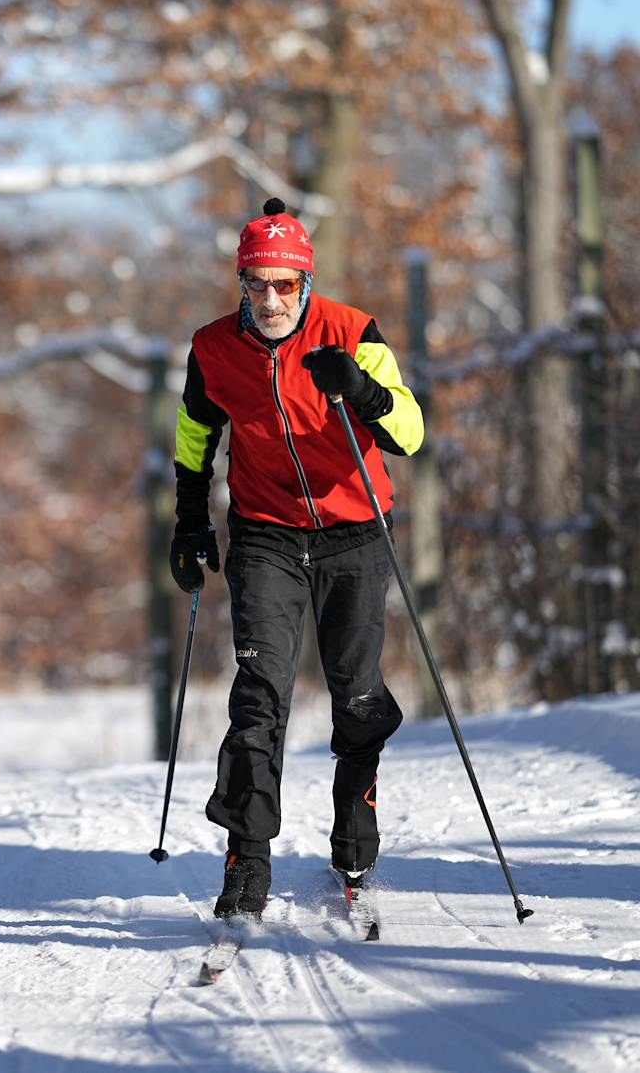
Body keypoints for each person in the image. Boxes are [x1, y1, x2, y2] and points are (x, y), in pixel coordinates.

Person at [170, 198, 424, 919]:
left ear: (305, 283)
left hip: (355, 531)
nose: (272, 298)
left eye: (286, 284)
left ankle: (355, 820)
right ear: (242, 284)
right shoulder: (214, 347)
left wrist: (362, 389)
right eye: (258, 284)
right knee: (259, 695)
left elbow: (410, 431)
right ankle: (247, 859)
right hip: (266, 533)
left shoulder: (353, 332)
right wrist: (190, 521)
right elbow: (195, 436)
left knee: (358, 691)